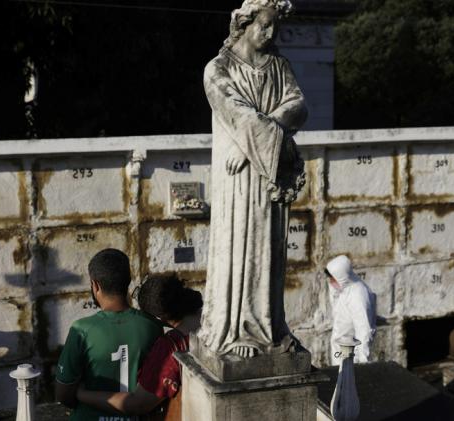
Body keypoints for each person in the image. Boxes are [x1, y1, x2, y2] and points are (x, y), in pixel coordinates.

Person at [200, 0, 308, 359]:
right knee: (239, 245)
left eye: (275, 27)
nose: (271, 33)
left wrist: (249, 149)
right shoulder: (218, 69)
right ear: (244, 24)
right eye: (264, 25)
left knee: (269, 251)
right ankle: (235, 328)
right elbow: (238, 115)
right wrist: (267, 132)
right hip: (238, 183)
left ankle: (269, 325)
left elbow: (299, 106)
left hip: (266, 175)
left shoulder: (279, 66)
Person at [75, 273, 203, 421]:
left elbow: (138, 404)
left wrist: (81, 394)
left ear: (158, 319)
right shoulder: (216, 321)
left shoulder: (171, 347)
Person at [55, 248, 163, 421]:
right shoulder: (153, 326)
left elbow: (64, 394)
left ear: (95, 285)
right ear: (127, 281)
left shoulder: (81, 330)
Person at [325, 255, 377, 366]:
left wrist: (362, 363)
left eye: (332, 278)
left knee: (349, 381)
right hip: (340, 350)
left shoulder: (358, 295)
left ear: (341, 276)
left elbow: (364, 331)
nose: (330, 281)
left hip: (352, 355)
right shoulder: (342, 287)